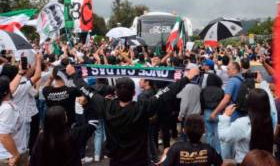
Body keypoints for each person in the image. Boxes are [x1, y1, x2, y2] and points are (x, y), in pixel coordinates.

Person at [66, 64, 199, 166]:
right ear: (134, 92)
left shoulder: (106, 106)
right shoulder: (143, 107)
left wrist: (74, 75)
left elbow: (87, 90)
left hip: (117, 160)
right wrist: (186, 78)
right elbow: (166, 93)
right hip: (139, 160)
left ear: (115, 93)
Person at [218, 88, 273, 164]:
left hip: (245, 161)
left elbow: (224, 136)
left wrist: (225, 116)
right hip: (263, 162)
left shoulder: (243, 123)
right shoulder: (269, 121)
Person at [30, 106, 98, 166]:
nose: (67, 116)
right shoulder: (73, 134)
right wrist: (86, 105)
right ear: (63, 120)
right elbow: (93, 124)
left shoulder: (41, 137)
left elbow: (33, 160)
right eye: (65, 115)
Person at [211, 61, 244, 159]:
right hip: (240, 116)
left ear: (234, 70)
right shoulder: (242, 79)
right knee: (235, 148)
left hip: (231, 117)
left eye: (228, 69)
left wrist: (215, 112)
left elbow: (226, 99)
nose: (227, 72)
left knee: (226, 146)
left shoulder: (232, 81)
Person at [0, 75, 28, 166]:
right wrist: (15, 155)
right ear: (6, 91)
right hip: (9, 156)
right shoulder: (8, 109)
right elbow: (4, 135)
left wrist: (20, 73)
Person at [200, 73, 223, 154]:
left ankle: (209, 153)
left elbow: (201, 102)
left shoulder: (204, 90)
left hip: (207, 112)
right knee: (217, 134)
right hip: (217, 112)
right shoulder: (220, 91)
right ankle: (218, 153)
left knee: (209, 134)